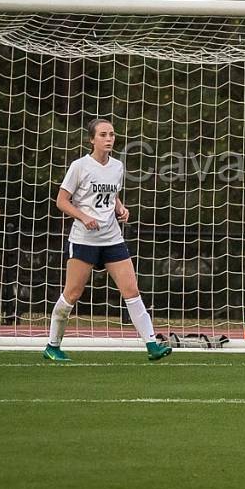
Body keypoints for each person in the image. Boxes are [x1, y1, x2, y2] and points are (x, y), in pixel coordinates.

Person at [43, 118, 171, 362]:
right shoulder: (80, 166)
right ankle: (52, 345)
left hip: (112, 238)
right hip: (84, 240)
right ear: (92, 139)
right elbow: (62, 201)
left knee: (131, 290)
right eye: (103, 135)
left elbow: (112, 196)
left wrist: (120, 209)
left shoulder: (117, 166)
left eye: (111, 134)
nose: (109, 138)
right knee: (72, 293)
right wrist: (82, 216)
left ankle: (152, 344)